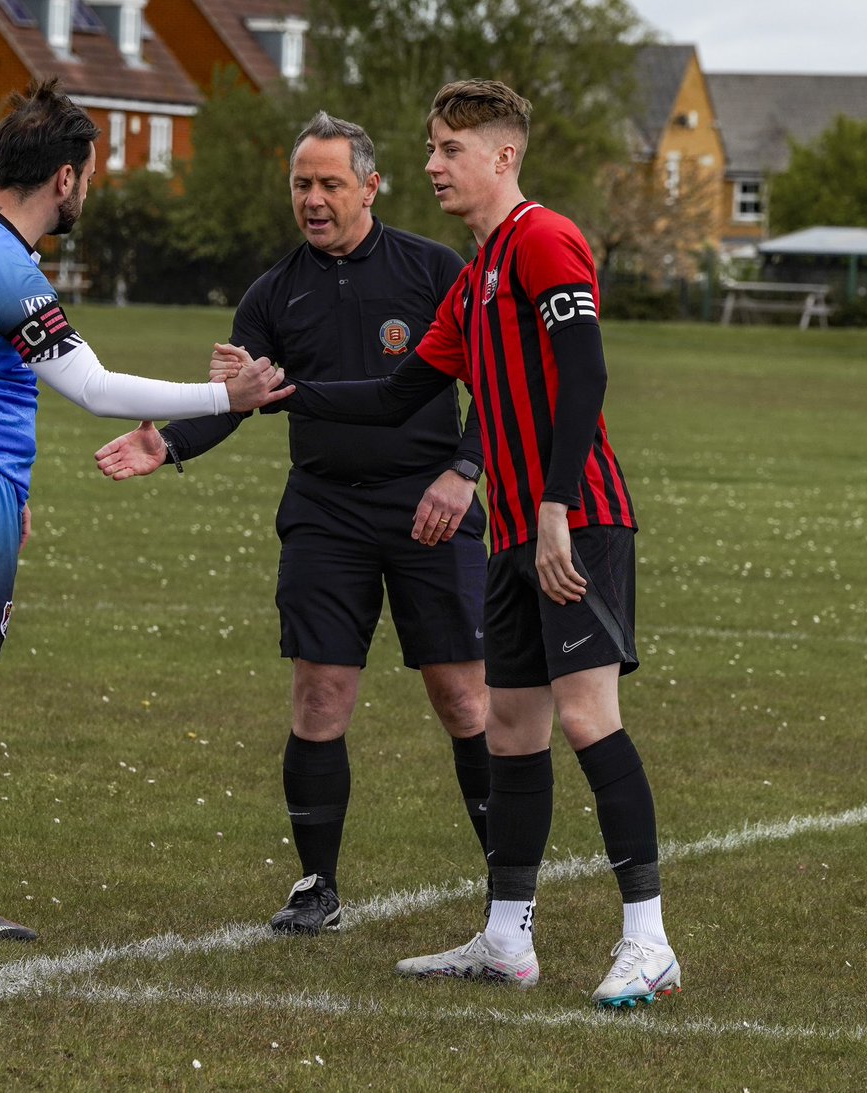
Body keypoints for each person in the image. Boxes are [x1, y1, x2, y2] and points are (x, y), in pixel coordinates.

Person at [214, 80, 680, 1008]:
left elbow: (585, 372)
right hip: (511, 529)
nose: (432, 166)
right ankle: (507, 939)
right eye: (429, 149)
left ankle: (649, 939)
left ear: (502, 156)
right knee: (510, 730)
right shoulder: (476, 279)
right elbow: (394, 396)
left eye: (448, 151)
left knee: (588, 719)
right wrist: (278, 391)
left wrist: (552, 505)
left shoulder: (545, 239)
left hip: (573, 518)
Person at [0, 78, 292, 943]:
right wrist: (226, 398)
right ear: (66, 179)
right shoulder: (6, 265)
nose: (90, 188)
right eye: (91, 172)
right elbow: (96, 387)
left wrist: (12, 486)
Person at [94, 112, 491, 936]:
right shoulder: (275, 293)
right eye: (301, 185)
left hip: (431, 504)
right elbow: (238, 401)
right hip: (325, 511)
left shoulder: (434, 269)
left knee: (462, 697)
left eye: (329, 184)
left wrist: (464, 471)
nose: (312, 199)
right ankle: (317, 884)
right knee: (319, 696)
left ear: (371, 186)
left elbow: (495, 383)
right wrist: (167, 442)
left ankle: (508, 884)